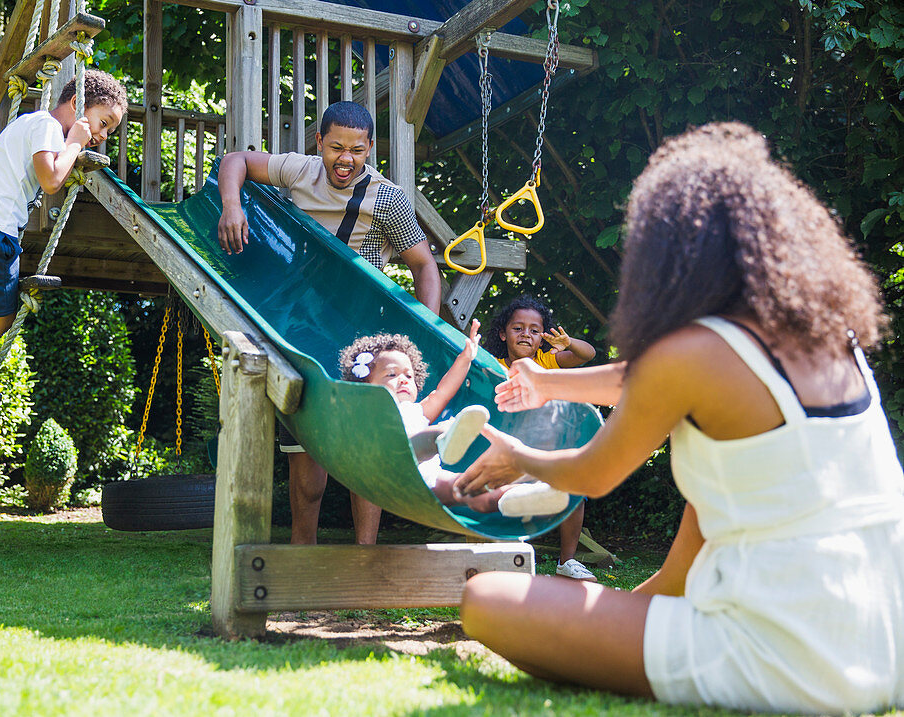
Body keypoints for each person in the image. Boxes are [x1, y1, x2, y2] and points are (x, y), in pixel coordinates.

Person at [454, 122, 904, 714]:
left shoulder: (692, 354)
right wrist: (546, 381)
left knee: (485, 599)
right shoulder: (829, 337)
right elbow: (641, 380)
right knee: (707, 501)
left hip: (787, 659)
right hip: (885, 645)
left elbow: (594, 473)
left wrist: (518, 457)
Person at [216, 100, 442, 545]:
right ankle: (305, 552)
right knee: (307, 458)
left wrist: (424, 330)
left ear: (370, 149)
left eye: (357, 150)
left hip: (360, 330)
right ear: (319, 142)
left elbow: (425, 267)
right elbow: (234, 160)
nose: (346, 159)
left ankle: (365, 553)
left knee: (369, 448)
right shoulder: (300, 171)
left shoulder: (388, 199)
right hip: (300, 326)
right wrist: (231, 207)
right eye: (336, 147)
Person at [0, 71, 127, 428]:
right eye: (103, 122)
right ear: (78, 104)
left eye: (109, 131)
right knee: (0, 318)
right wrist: (75, 143)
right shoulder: (47, 127)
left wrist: (13, 149)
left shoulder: (27, 124)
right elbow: (50, 180)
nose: (104, 135)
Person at [337, 322, 569, 517]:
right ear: (366, 385)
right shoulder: (368, 411)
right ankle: (445, 437)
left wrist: (466, 357)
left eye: (408, 375)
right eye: (391, 374)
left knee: (470, 489)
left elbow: (443, 391)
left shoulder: (418, 410)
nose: (404, 380)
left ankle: (518, 498)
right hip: (390, 470)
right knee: (438, 431)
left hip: (426, 482)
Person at [484, 296, 598, 580]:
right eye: (518, 328)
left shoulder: (547, 361)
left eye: (534, 330)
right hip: (507, 449)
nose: (526, 334)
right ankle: (505, 551)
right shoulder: (492, 364)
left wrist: (569, 343)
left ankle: (567, 561)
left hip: (547, 447)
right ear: (502, 333)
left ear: (542, 338)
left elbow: (587, 355)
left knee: (575, 486)